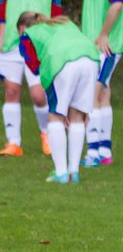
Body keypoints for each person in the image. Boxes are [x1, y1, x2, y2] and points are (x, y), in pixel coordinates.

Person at [0, 0, 61, 157]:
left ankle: (46, 135)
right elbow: (2, 17)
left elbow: (57, 18)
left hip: (39, 48)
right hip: (13, 46)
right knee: (12, 92)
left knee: (39, 96)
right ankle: (14, 143)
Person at [16, 12, 100, 183]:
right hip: (91, 59)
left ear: (22, 28)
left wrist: (60, 109)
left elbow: (39, 68)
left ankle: (61, 173)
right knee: (78, 116)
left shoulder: (28, 35)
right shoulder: (64, 22)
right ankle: (73, 173)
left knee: (55, 117)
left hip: (62, 62)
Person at [81, 0, 123, 167]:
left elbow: (117, 4)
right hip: (92, 45)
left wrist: (104, 34)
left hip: (107, 45)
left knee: (91, 94)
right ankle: (104, 151)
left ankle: (93, 152)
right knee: (102, 93)